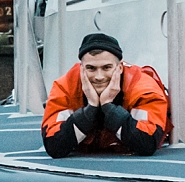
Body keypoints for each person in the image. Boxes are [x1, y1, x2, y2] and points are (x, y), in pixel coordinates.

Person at [42, 32, 170, 157]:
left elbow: (147, 143)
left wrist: (108, 107)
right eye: (91, 68)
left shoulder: (143, 88)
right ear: (81, 68)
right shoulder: (65, 86)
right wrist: (90, 109)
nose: (99, 76)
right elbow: (53, 146)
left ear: (120, 68)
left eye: (106, 67)